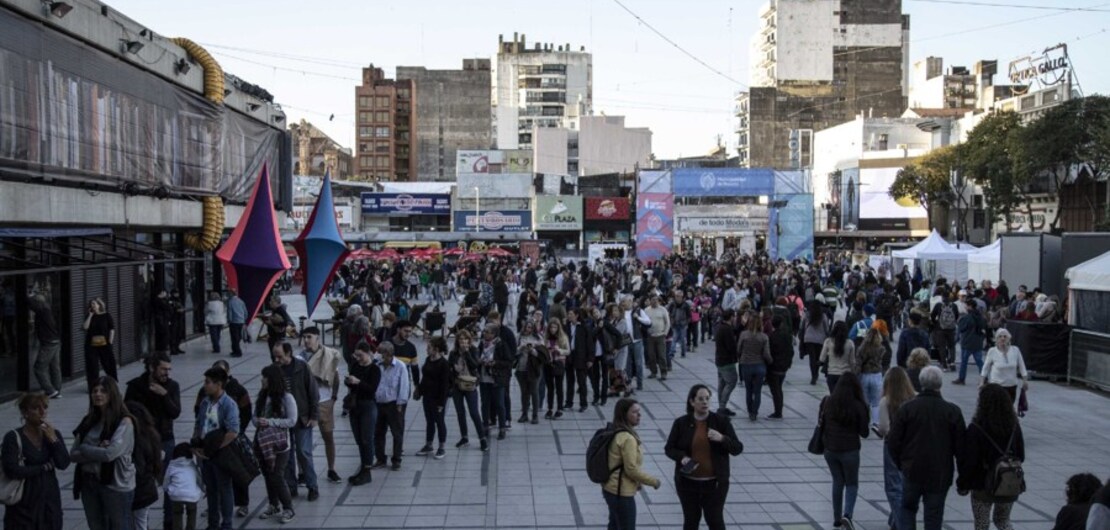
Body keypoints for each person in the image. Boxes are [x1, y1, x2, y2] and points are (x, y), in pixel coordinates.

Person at [888, 366, 966, 530]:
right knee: (934, 516)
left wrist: (901, 463)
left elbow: (893, 441)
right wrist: (963, 478)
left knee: (908, 509)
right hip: (940, 473)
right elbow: (961, 449)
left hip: (911, 470)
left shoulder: (907, 409)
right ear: (940, 384)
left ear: (921, 383)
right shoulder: (952, 411)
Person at [664, 385, 743, 530]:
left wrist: (723, 439)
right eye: (700, 399)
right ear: (692, 402)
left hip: (715, 485)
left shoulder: (721, 421)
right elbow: (669, 449)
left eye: (707, 398)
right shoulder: (681, 423)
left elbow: (737, 448)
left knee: (715, 520)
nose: (705, 402)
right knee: (691, 521)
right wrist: (682, 457)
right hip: (688, 484)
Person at [124, 353, 182, 530]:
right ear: (152, 368)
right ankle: (142, 524)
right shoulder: (135, 386)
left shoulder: (172, 387)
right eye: (163, 369)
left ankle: (169, 523)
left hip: (165, 440)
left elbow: (175, 412)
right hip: (141, 442)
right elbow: (127, 411)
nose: (167, 373)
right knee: (143, 483)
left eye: (169, 369)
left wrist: (164, 395)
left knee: (168, 484)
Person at [957, 384, 1026, 530]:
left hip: (982, 485)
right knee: (1002, 520)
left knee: (982, 523)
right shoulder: (1014, 426)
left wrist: (963, 484)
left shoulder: (976, 428)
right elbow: (1021, 455)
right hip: (1008, 481)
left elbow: (970, 461)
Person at [71, 376, 136, 530]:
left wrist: (86, 448)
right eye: (95, 391)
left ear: (112, 394)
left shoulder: (124, 422)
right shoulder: (88, 421)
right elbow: (73, 454)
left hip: (115, 484)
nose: (98, 394)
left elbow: (110, 454)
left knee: (121, 525)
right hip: (89, 482)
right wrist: (98, 449)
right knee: (96, 525)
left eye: (103, 391)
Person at [1, 392, 70, 530]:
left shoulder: (52, 434)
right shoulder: (13, 437)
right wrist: (42, 468)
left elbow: (63, 463)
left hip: (49, 503)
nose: (42, 412)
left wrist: (54, 441)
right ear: (25, 412)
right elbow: (12, 470)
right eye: (36, 408)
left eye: (45, 407)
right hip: (23, 505)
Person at [819, 373, 870, 529]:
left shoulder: (828, 401)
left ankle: (836, 517)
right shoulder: (859, 405)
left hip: (831, 449)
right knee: (852, 483)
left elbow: (822, 423)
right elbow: (864, 433)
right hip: (850, 450)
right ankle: (847, 515)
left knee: (837, 481)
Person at [193, 367, 241, 530]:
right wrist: (197, 445)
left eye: (208, 382)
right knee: (211, 490)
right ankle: (212, 524)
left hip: (220, 454)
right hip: (205, 454)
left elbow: (233, 431)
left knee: (224, 488)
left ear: (218, 384)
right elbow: (199, 424)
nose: (205, 385)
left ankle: (226, 524)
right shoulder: (206, 401)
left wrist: (216, 448)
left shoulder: (228, 404)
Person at [603, 398, 661, 530]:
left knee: (614, 526)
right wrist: (653, 481)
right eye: (635, 412)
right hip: (621, 493)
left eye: (639, 411)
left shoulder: (614, 430)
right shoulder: (628, 438)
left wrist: (636, 482)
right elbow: (631, 469)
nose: (639, 415)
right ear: (624, 415)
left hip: (610, 488)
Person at [253, 365, 298, 523]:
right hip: (263, 443)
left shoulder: (287, 398)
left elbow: (292, 420)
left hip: (280, 445)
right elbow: (254, 417)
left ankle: (288, 507)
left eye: (264, 377)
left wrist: (271, 422)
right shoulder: (262, 397)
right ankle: (273, 504)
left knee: (277, 475)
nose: (262, 380)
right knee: (267, 474)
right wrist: (258, 421)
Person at [300, 327, 342, 485]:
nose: (306, 340)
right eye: (304, 337)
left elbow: (335, 376)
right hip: (305, 403)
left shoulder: (329, 355)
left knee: (328, 436)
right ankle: (302, 472)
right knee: (303, 441)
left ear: (318, 338)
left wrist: (334, 397)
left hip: (324, 401)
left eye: (309, 337)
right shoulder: (300, 358)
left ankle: (331, 469)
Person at [878, 367, 916, 530]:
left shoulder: (886, 401)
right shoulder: (914, 398)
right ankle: (894, 522)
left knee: (894, 487)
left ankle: (902, 524)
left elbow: (884, 428)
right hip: (912, 445)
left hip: (893, 447)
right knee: (907, 484)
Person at [345, 341, 381, 485]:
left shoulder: (374, 369)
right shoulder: (355, 366)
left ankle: (367, 470)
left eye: (360, 355)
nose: (358, 358)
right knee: (359, 439)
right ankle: (363, 467)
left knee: (367, 438)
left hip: (368, 405)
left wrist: (358, 382)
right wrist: (349, 381)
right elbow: (351, 385)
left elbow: (372, 389)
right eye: (356, 355)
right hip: (355, 405)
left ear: (368, 353)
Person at [124, 402, 163, 530]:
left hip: (139, 490)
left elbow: (138, 468)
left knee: (137, 523)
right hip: (147, 488)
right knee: (141, 522)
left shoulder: (136, 439)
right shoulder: (151, 434)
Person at [448, 331, 489, 452]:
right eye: (461, 340)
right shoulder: (453, 353)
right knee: (460, 412)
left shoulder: (473, 350)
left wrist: (466, 353)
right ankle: (464, 437)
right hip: (457, 385)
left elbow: (475, 365)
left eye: (465, 340)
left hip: (470, 385)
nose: (463, 342)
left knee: (474, 412)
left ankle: (482, 438)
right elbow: (449, 367)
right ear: (457, 341)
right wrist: (454, 369)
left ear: (469, 340)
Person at [373, 342, 410, 470]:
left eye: (383, 355)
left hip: (394, 404)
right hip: (379, 403)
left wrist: (401, 403)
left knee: (397, 433)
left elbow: (404, 386)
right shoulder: (376, 364)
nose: (381, 358)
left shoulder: (400, 366)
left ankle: (396, 459)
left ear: (389, 354)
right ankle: (380, 458)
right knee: (378, 432)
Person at [416, 337, 451, 460]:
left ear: (436, 349)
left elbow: (445, 385)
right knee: (429, 421)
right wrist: (419, 390)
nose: (426, 349)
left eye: (429, 347)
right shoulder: (428, 359)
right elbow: (424, 377)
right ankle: (429, 444)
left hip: (438, 398)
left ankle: (441, 447)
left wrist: (442, 402)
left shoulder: (444, 364)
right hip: (427, 396)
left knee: (439, 421)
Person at [478, 324, 513, 440]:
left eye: (487, 332)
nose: (484, 334)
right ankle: (485, 426)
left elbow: (508, 362)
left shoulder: (501, 345)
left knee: (499, 404)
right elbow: (477, 357)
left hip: (497, 379)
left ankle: (502, 428)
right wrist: (480, 361)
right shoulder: (481, 344)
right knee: (485, 403)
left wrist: (495, 363)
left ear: (493, 334)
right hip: (484, 378)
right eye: (484, 331)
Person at [738, 310, 771, 422]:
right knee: (757, 391)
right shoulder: (764, 337)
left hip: (746, 365)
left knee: (748, 390)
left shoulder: (744, 335)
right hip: (759, 366)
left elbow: (738, 349)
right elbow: (766, 354)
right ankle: (755, 412)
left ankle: (749, 411)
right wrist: (770, 361)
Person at [980, 329, 1029, 403]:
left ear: (1009, 339)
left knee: (1009, 409)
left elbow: (1022, 366)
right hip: (996, 386)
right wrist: (982, 382)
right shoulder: (992, 351)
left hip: (1011, 386)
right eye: (1000, 336)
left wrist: (1025, 380)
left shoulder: (1015, 350)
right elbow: (985, 368)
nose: (1002, 338)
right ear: (996, 339)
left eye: (1005, 336)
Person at [164, 443, 203, 530]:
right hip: (192, 495)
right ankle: (190, 527)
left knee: (177, 513)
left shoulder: (171, 465)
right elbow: (199, 479)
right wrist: (203, 488)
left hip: (176, 495)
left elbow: (166, 481)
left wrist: (166, 489)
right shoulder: (192, 465)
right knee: (192, 512)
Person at [30, 294, 62, 398]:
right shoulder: (47, 310)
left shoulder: (41, 312)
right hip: (55, 341)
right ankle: (56, 390)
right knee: (54, 367)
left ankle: (50, 390)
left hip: (48, 343)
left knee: (39, 368)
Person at [83, 298, 117, 389]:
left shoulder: (106, 315)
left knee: (108, 363)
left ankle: (112, 382)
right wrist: (90, 315)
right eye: (91, 304)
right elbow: (85, 327)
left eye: (94, 304)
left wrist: (110, 341)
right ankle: (93, 385)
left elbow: (112, 328)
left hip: (105, 344)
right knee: (92, 366)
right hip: (91, 345)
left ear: (99, 305)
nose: (92, 306)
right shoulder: (89, 316)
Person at [516, 321, 545, 423]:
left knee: (534, 391)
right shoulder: (519, 337)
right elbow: (513, 352)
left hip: (534, 369)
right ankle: (524, 414)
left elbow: (542, 355)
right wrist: (521, 347)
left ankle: (535, 415)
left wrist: (532, 350)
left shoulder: (538, 338)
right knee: (524, 393)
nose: (528, 329)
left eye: (530, 327)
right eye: (527, 327)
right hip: (521, 368)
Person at [565, 308, 593, 412]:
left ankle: (583, 403)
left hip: (581, 356)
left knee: (581, 381)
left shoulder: (584, 327)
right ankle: (568, 402)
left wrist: (590, 358)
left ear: (576, 315)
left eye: (571, 314)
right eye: (568, 314)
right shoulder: (566, 326)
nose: (569, 316)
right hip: (569, 355)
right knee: (569, 381)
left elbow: (589, 343)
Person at [954, 300, 988, 385]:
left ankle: (961, 379)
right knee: (979, 361)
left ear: (969, 306)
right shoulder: (981, 317)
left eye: (966, 305)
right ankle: (984, 378)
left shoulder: (966, 317)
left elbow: (961, 329)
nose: (965, 307)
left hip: (967, 342)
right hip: (978, 342)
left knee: (964, 362)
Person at [766, 315, 794, 420]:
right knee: (779, 389)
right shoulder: (787, 336)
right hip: (783, 367)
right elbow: (791, 351)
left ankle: (778, 411)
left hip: (773, 367)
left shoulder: (771, 337)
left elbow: (769, 352)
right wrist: (788, 363)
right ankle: (779, 410)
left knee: (775, 390)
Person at [857, 327, 885, 425]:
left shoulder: (862, 348)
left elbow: (858, 363)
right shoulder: (881, 348)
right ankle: (876, 422)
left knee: (865, 401)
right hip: (877, 375)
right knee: (876, 401)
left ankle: (865, 421)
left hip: (865, 374)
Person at [714, 310, 739, 417]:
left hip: (719, 359)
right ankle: (722, 406)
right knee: (731, 382)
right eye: (734, 316)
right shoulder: (727, 329)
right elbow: (731, 346)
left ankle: (721, 406)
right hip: (727, 361)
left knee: (722, 384)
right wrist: (737, 355)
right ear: (731, 317)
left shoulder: (720, 327)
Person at [820, 321, 858, 393]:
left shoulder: (828, 341)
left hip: (831, 374)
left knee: (833, 396)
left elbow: (822, 358)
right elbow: (852, 361)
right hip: (845, 375)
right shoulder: (850, 343)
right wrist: (854, 372)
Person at [543, 318, 569, 419]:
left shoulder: (563, 337)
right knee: (550, 388)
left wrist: (559, 350)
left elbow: (568, 351)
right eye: (551, 327)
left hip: (559, 363)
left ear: (558, 328)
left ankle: (559, 408)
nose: (553, 329)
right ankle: (550, 408)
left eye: (555, 327)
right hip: (548, 364)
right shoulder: (545, 338)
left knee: (559, 387)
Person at [800, 300, 830, 386]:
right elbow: (826, 328)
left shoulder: (807, 315)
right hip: (820, 340)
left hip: (808, 339)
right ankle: (816, 374)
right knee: (818, 358)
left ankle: (813, 376)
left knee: (811, 358)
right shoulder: (823, 316)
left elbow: (802, 327)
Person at [643, 295, 671, 381]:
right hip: (650, 336)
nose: (654, 302)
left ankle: (663, 373)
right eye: (652, 300)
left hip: (660, 336)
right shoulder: (646, 310)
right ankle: (653, 372)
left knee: (662, 355)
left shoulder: (663, 310)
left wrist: (665, 333)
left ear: (658, 301)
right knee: (651, 355)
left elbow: (667, 322)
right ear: (650, 301)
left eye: (656, 300)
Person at [225, 289, 247, 358]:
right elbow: (245, 311)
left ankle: (237, 351)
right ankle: (235, 350)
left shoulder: (230, 302)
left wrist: (229, 320)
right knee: (238, 336)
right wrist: (244, 319)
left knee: (234, 337)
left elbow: (230, 312)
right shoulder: (241, 301)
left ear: (231, 294)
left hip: (234, 322)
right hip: (241, 321)